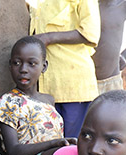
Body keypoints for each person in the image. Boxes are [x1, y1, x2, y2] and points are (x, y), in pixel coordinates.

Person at [26, 0, 100, 138]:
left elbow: (90, 33)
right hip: (44, 86)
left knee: (71, 144)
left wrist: (48, 37)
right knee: (49, 144)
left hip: (72, 85)